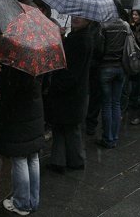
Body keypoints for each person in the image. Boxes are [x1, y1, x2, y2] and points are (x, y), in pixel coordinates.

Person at [0, 65, 44, 216]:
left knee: (20, 158)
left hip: (18, 117)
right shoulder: (38, 63)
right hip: (34, 113)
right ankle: (33, 201)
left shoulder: (14, 64)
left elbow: (7, 89)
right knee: (33, 157)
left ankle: (21, 203)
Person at [46, 16, 94, 173]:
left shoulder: (79, 40)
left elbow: (71, 71)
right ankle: (68, 160)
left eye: (81, 16)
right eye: (75, 14)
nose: (76, 18)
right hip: (74, 92)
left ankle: (66, 161)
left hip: (69, 92)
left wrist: (55, 85)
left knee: (65, 127)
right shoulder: (80, 37)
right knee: (66, 127)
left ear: (89, 20)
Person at [96, 13, 129, 148]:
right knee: (116, 103)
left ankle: (107, 138)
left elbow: (99, 49)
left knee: (107, 104)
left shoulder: (103, 26)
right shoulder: (125, 26)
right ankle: (114, 137)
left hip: (106, 68)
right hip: (121, 68)